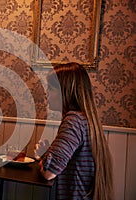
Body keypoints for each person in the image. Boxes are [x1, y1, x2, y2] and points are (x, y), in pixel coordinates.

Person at [35, 63, 113, 200]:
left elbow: (49, 172)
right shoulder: (85, 118)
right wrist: (46, 155)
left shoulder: (73, 121)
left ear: (65, 91)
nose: (46, 94)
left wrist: (40, 157)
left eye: (51, 88)